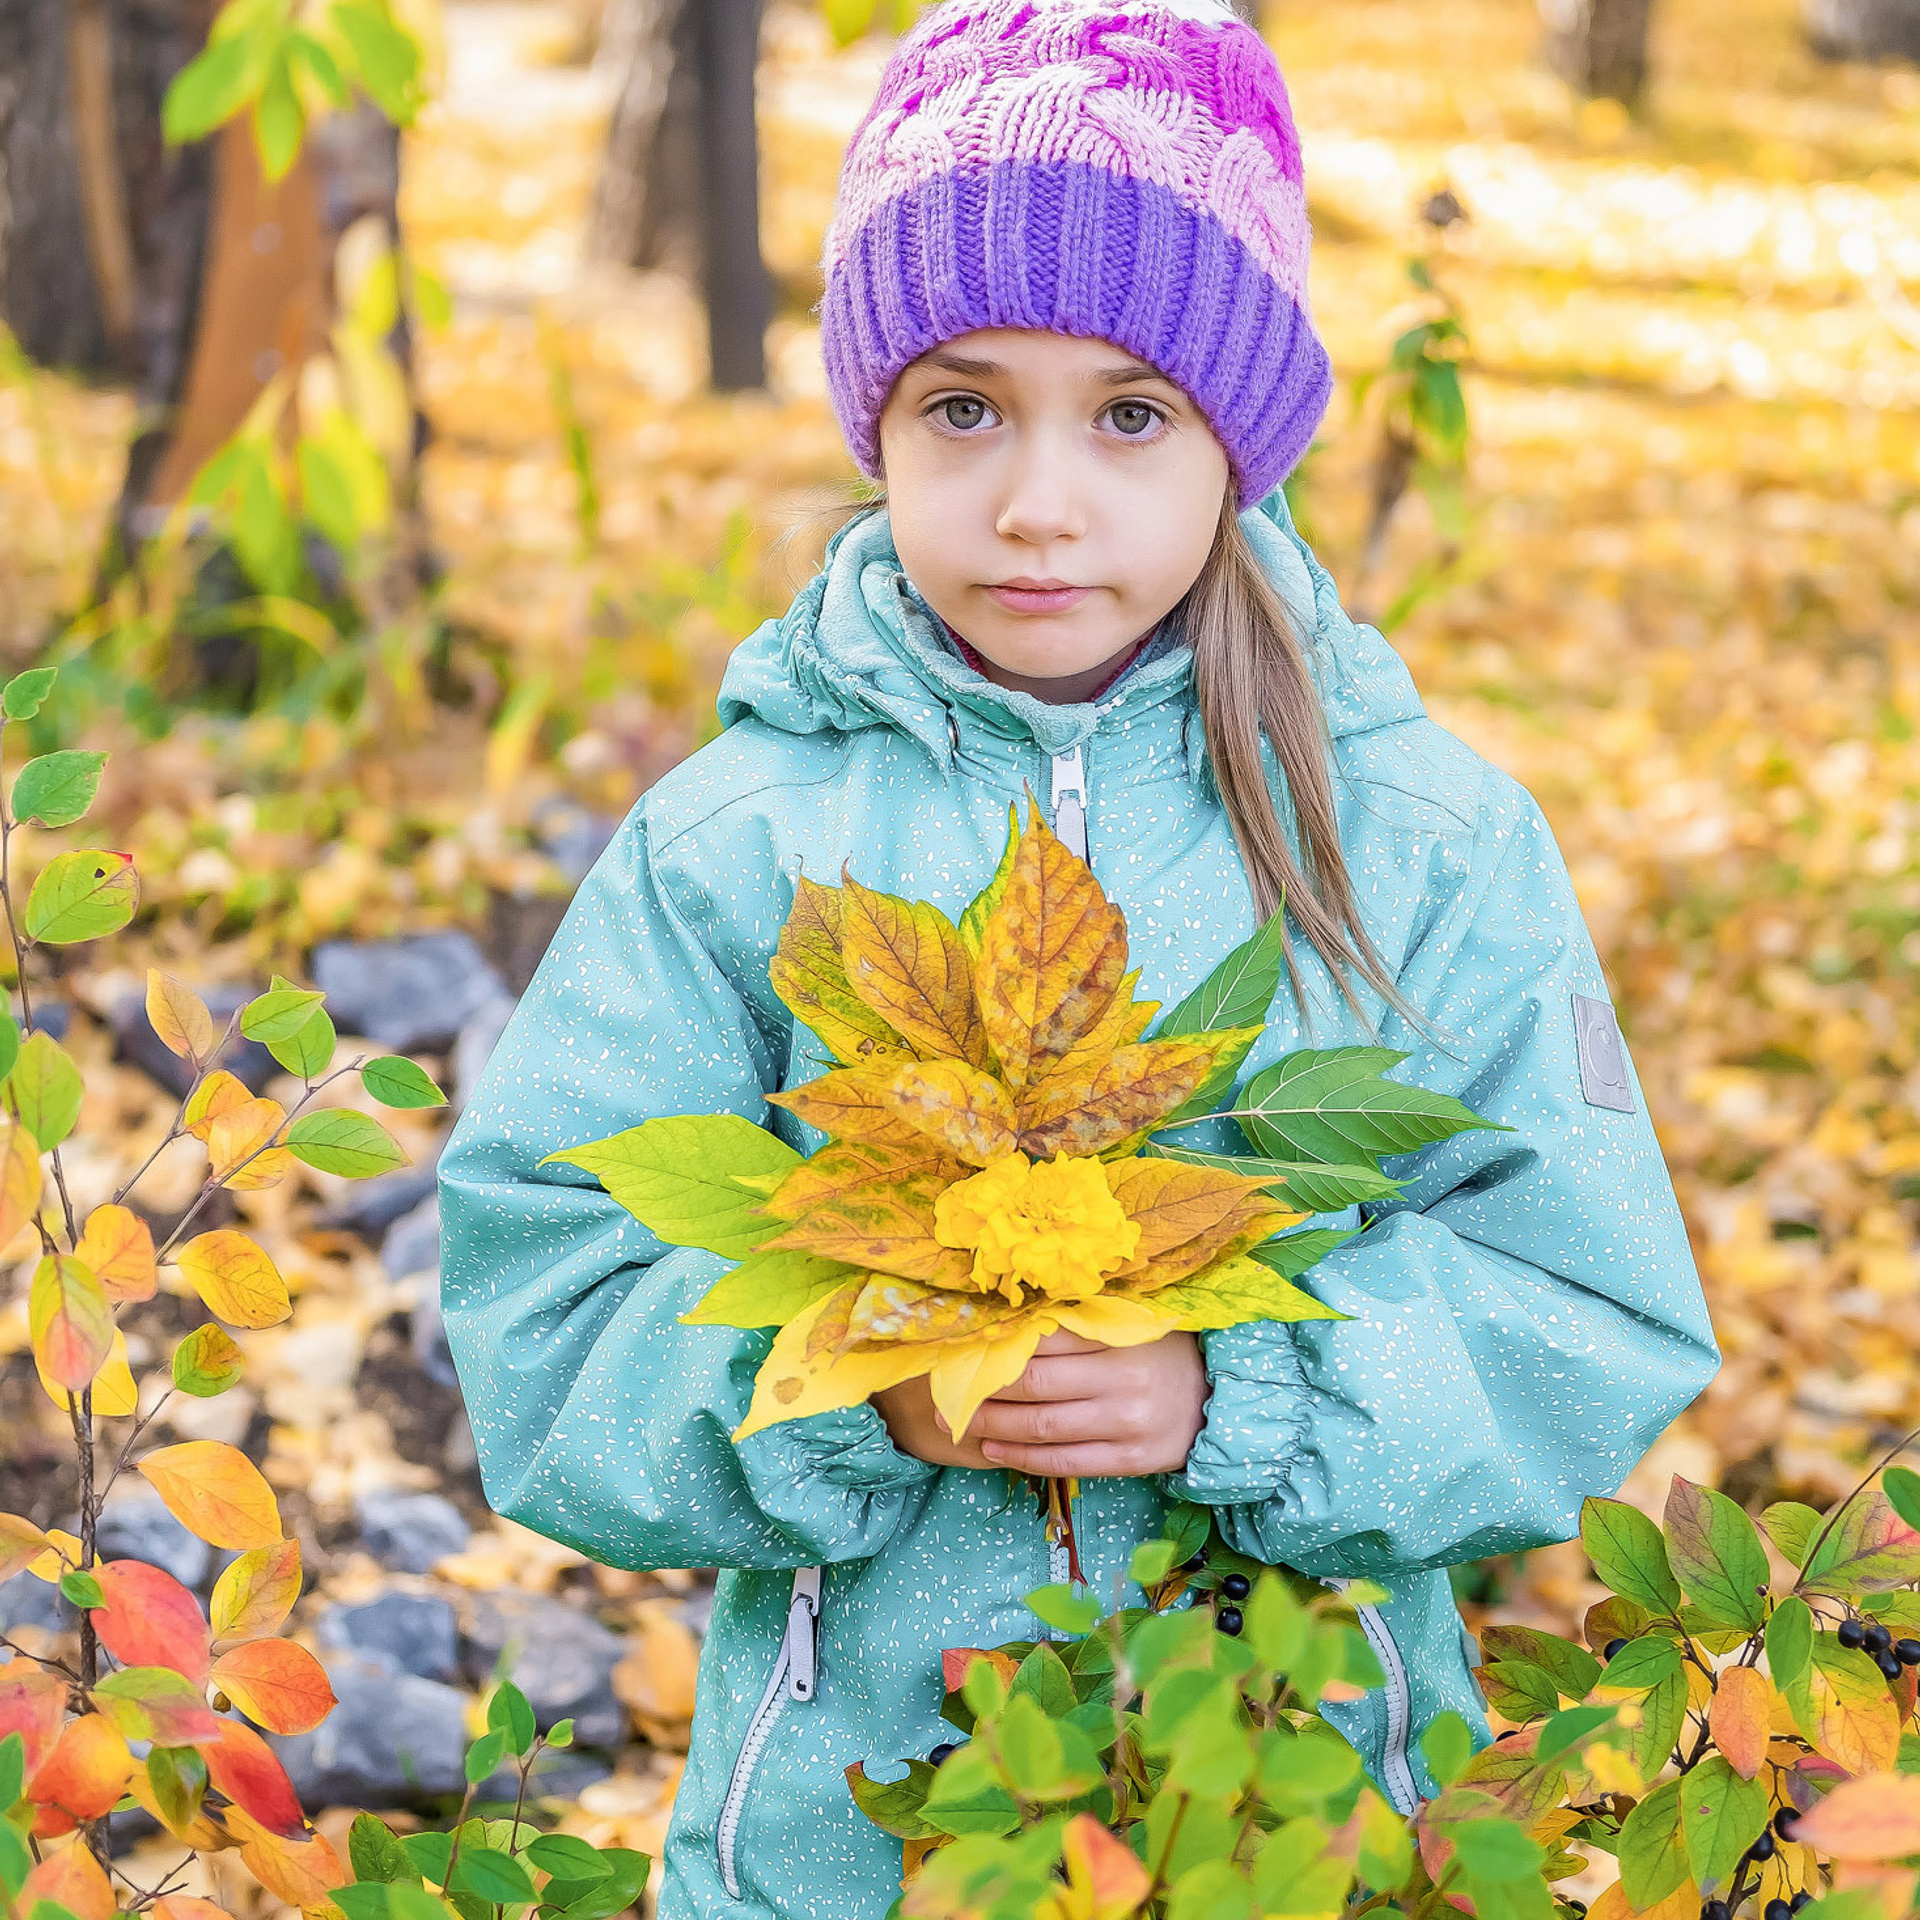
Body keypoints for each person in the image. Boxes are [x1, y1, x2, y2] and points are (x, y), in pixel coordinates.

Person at [436, 3, 1720, 1914]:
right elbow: (545, 1316)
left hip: (1293, 1820)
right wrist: (853, 1384)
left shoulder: (1422, 844)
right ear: (875, 418)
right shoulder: (740, 845)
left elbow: (1592, 1310)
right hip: (844, 1847)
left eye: (1132, 412)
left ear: (1243, 437)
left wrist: (1245, 1398)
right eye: (965, 407)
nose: (1040, 499)